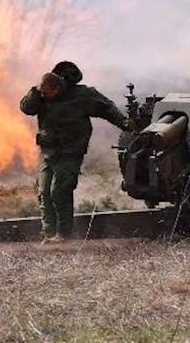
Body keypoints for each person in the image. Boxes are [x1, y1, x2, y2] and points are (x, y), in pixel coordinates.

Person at [20, 61, 136, 242]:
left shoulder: (81, 95)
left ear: (58, 88)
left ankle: (63, 234)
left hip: (70, 151)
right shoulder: (41, 96)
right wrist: (36, 92)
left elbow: (106, 108)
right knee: (44, 193)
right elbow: (26, 108)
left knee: (59, 191)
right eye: (42, 93)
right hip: (48, 151)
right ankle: (49, 233)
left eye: (47, 93)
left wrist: (124, 123)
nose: (44, 96)